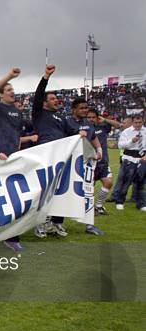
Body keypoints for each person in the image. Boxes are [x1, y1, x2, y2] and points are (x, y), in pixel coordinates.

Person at [31, 65, 87, 238]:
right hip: (46, 156)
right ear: (44, 102)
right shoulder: (39, 113)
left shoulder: (61, 118)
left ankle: (56, 222)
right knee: (44, 191)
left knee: (61, 190)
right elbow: (39, 94)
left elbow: (69, 134)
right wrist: (46, 77)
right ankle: (39, 223)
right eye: (53, 98)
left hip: (62, 157)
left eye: (57, 99)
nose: (57, 101)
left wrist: (79, 134)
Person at [0, 67, 26, 251]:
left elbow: (16, 135)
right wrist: (9, 76)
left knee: (14, 198)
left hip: (13, 159)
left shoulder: (17, 112)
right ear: (1, 95)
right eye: (8, 90)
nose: (12, 92)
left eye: (12, 90)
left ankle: (11, 237)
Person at [65, 98, 105, 236]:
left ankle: (89, 225)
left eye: (86, 108)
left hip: (86, 164)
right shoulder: (66, 122)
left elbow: (93, 137)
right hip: (70, 165)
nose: (84, 110)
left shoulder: (88, 123)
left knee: (88, 192)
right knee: (67, 193)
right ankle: (55, 223)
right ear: (74, 109)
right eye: (81, 108)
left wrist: (99, 150)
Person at [86, 108, 120, 215]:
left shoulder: (103, 126)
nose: (91, 119)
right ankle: (89, 209)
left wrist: (104, 119)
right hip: (90, 163)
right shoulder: (83, 129)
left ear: (97, 118)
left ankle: (99, 206)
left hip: (103, 163)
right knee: (89, 187)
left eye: (93, 117)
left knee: (108, 183)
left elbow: (118, 125)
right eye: (89, 117)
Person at [115, 114, 145, 211]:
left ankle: (141, 204)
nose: (138, 124)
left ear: (143, 121)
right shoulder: (126, 132)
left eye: (140, 122)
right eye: (136, 122)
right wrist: (131, 141)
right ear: (132, 122)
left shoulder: (145, 131)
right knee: (126, 182)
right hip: (129, 158)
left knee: (141, 183)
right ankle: (120, 201)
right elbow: (120, 145)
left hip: (142, 158)